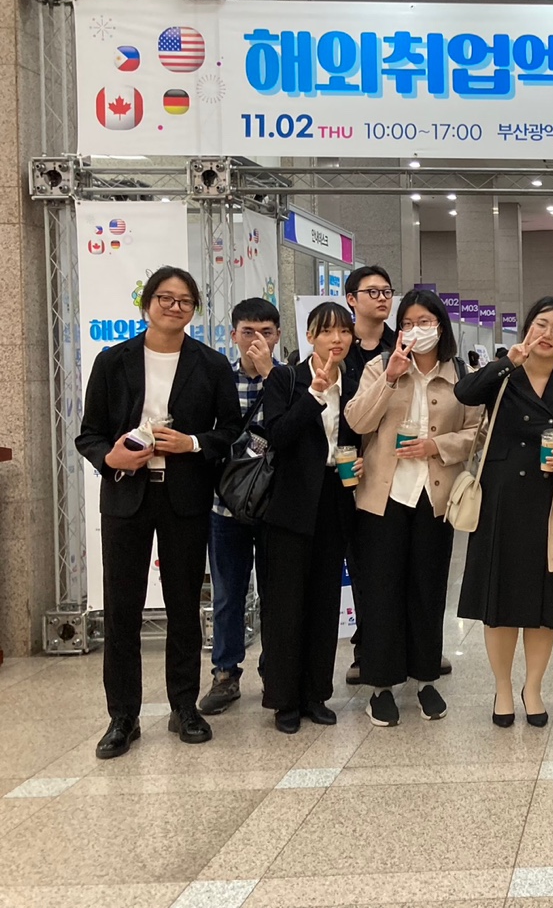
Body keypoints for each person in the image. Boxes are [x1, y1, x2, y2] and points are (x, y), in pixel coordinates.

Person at [76, 267, 243, 759]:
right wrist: (111, 457)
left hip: (184, 496)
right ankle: (122, 717)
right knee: (122, 609)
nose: (175, 307)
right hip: (126, 495)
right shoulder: (113, 361)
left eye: (185, 300)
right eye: (165, 298)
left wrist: (192, 443)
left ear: (194, 309)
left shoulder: (211, 364)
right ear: (147, 303)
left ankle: (184, 707)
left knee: (184, 606)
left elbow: (231, 430)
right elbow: (89, 433)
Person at [457, 296, 553, 728]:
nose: (548, 334)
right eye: (541, 324)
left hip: (551, 504)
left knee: (543, 605)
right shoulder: (504, 374)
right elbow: (465, 393)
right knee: (499, 602)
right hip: (500, 499)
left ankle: (533, 687)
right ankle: (503, 688)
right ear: (527, 329)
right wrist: (508, 361)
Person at [344, 290, 480, 726]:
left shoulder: (461, 375)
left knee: (428, 588)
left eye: (425, 322)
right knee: (381, 590)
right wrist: (389, 378)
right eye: (407, 323)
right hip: (383, 496)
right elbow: (357, 421)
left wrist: (436, 446)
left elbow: (478, 431)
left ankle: (425, 679)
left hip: (434, 497)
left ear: (440, 326)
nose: (416, 330)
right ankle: (381, 686)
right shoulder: (379, 366)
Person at [259, 302, 362, 733]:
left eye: (344, 332)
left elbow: (359, 437)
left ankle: (316, 694)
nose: (337, 339)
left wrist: (359, 463)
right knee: (286, 604)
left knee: (324, 601)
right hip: (289, 505)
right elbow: (278, 435)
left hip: (335, 499)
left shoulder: (354, 383)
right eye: (326, 331)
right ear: (310, 336)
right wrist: (315, 395)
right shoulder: (285, 378)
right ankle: (284, 699)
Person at [199, 297, 282, 715]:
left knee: (275, 592)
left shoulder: (288, 379)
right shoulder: (217, 379)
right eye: (248, 332)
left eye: (266, 332)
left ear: (278, 336)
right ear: (233, 335)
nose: (256, 340)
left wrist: (270, 375)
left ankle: (275, 670)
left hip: (274, 506)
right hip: (225, 504)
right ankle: (225, 673)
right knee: (229, 593)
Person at [341, 264, 399, 684]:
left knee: (394, 564)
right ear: (351, 299)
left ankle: (408, 645)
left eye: (386, 292)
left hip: (388, 471)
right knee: (360, 567)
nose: (381, 298)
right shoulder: (337, 348)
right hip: (340, 470)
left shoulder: (402, 348)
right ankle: (365, 647)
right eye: (372, 292)